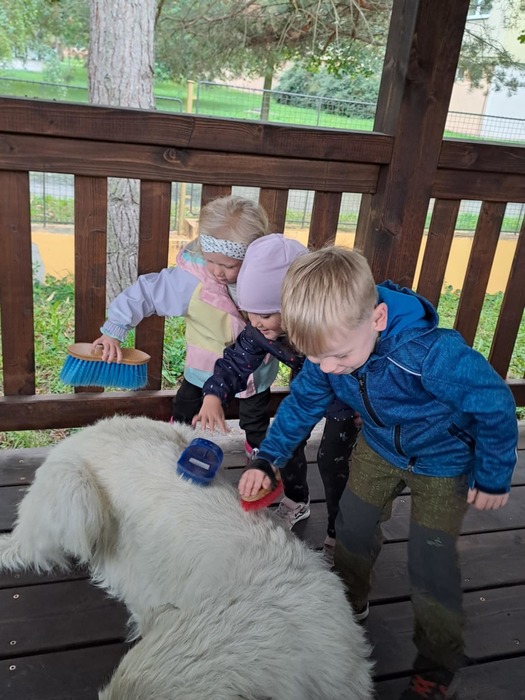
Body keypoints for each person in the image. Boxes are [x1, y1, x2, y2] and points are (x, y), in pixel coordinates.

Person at [238, 246, 518, 700]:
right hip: (380, 446)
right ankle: (348, 605)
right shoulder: (331, 351)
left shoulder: (430, 354)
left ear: (378, 319)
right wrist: (267, 458)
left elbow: (495, 403)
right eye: (316, 358)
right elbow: (304, 403)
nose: (328, 368)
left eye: (337, 356)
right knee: (352, 525)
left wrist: (493, 472)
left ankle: (438, 661)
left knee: (430, 560)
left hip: (443, 460)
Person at [192, 235, 358, 562]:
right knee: (288, 444)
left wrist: (366, 405)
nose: (256, 322)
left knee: (331, 460)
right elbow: (235, 363)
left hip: (346, 398)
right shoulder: (260, 331)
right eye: (250, 312)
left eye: (267, 314)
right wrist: (213, 395)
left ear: (295, 307)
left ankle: (338, 530)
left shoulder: (330, 325)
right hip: (306, 391)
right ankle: (296, 500)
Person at [92, 195, 279, 449]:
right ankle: (176, 441)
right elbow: (148, 293)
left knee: (255, 417)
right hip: (204, 368)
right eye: (211, 260)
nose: (217, 271)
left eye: (228, 265)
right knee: (185, 407)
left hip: (254, 372)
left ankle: (260, 455)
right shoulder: (190, 281)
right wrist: (115, 329)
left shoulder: (268, 279)